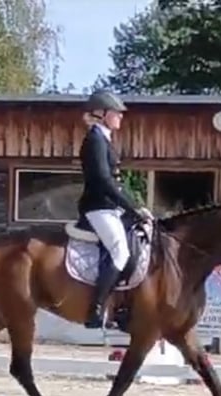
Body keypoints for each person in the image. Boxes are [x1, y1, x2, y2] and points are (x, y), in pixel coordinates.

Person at [77, 89, 147, 329]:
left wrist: (136, 206)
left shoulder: (105, 139)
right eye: (116, 113)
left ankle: (123, 305)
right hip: (98, 207)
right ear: (102, 114)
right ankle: (96, 309)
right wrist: (130, 207)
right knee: (120, 252)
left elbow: (117, 182)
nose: (120, 117)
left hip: (110, 208)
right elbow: (103, 181)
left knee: (137, 242)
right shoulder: (95, 139)